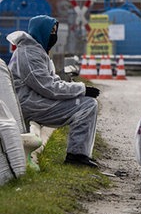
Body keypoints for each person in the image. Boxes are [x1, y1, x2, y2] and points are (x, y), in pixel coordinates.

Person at [7, 15, 100, 168]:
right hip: (30, 104)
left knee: (88, 103)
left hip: (36, 101)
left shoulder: (37, 51)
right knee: (86, 105)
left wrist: (79, 90)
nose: (54, 36)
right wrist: (81, 89)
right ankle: (76, 156)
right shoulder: (29, 53)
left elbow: (53, 82)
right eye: (51, 32)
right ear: (41, 32)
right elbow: (47, 87)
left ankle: (80, 154)